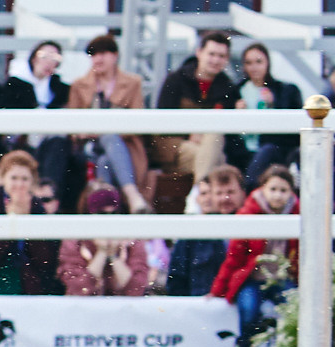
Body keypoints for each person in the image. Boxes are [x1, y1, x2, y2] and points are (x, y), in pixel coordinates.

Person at [213, 162, 299, 347]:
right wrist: (218, 289)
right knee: (248, 309)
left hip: (283, 278)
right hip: (253, 278)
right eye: (273, 189)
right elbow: (234, 257)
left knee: (294, 310)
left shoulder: (299, 215)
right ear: (263, 189)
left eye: (283, 190)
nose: (278, 195)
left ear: (291, 192)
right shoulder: (248, 214)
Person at [62, 34, 151, 212]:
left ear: (115, 55)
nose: (97, 59)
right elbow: (72, 125)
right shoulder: (79, 85)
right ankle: (132, 196)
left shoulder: (133, 83)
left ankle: (105, 211)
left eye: (102, 53)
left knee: (105, 159)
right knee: (106, 146)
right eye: (93, 54)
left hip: (124, 145)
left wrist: (106, 130)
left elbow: (138, 122)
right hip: (88, 147)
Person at [154, 28, 239, 182]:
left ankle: (199, 190)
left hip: (208, 146)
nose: (215, 60)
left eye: (221, 56)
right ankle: (202, 189)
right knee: (217, 161)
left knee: (213, 136)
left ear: (227, 59)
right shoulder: (176, 80)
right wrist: (190, 133)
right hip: (175, 148)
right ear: (199, 52)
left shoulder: (228, 88)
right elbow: (163, 120)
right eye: (211, 54)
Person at [0, 38, 73, 204]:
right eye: (44, 56)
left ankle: (48, 193)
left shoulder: (61, 89)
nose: (49, 62)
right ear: (34, 57)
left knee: (58, 145)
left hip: (49, 141)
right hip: (20, 141)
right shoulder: (14, 84)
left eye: (55, 58)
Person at [0, 149, 63, 297]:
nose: (19, 184)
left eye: (25, 179)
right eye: (14, 178)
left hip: (28, 286)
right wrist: (10, 222)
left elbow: (45, 260)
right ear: (3, 178)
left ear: (32, 182)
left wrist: (27, 221)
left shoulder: (38, 208)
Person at [168, 164, 245, 297]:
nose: (225, 198)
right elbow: (176, 280)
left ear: (243, 193)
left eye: (231, 192)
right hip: (203, 305)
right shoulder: (194, 231)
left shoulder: (257, 225)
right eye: (219, 193)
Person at [58, 186, 149, 297]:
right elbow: (78, 290)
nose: (108, 220)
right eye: (102, 214)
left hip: (123, 306)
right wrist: (101, 253)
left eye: (113, 213)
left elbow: (136, 290)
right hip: (85, 306)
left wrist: (114, 256)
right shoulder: (75, 242)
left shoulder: (133, 241)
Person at [230, 42, 302, 181]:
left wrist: (274, 105)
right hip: (243, 151)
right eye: (249, 63)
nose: (254, 67)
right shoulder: (236, 91)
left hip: (272, 151)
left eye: (258, 62)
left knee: (265, 153)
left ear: (267, 63)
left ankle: (249, 187)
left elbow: (293, 131)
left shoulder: (285, 90)